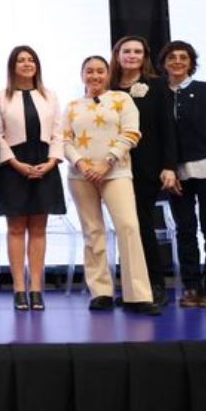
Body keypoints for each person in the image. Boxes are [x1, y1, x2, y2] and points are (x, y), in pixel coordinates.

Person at [63, 56, 161, 315]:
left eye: (100, 71)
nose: (95, 76)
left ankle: (137, 295)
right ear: (82, 75)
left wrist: (107, 161)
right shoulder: (72, 106)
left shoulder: (122, 99)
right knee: (93, 231)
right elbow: (65, 140)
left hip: (116, 172)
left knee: (128, 227)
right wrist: (81, 164)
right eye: (89, 71)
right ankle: (101, 292)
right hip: (81, 176)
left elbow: (131, 133)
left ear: (107, 74)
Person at [0, 46, 66, 311]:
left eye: (31, 59)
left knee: (38, 229)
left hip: (44, 164)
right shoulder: (1, 96)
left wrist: (52, 162)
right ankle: (18, 289)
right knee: (15, 229)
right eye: (21, 60)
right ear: (12, 67)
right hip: (13, 166)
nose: (26, 63)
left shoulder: (50, 96)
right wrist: (15, 163)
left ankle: (36, 289)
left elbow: (58, 133)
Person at [110, 36, 178, 306]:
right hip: (114, 167)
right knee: (126, 227)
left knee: (142, 225)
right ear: (117, 55)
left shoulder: (157, 85)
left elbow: (168, 128)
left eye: (137, 51)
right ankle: (131, 288)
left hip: (146, 168)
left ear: (145, 56)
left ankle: (155, 285)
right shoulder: (108, 87)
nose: (132, 55)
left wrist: (169, 166)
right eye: (126, 51)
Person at [158, 41, 206, 308]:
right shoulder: (159, 94)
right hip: (176, 174)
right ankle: (191, 286)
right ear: (164, 63)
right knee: (185, 230)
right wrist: (168, 169)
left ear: (191, 62)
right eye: (172, 57)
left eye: (183, 57)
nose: (177, 61)